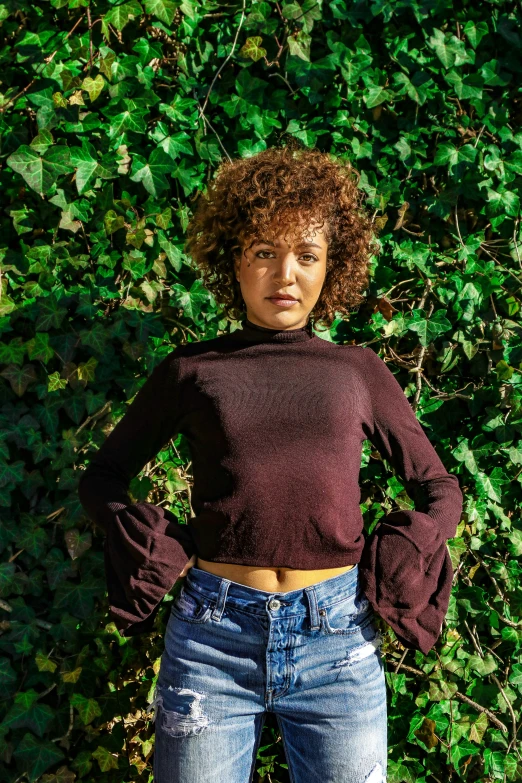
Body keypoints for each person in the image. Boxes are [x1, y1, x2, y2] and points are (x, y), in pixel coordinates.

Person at [78, 146, 463, 783]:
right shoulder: (192, 371)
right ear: (235, 261)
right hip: (210, 640)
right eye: (264, 252)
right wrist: (150, 538)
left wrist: (407, 548)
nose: (285, 274)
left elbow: (439, 490)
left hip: (338, 641)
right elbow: (103, 478)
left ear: (329, 268)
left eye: (306, 256)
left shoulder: (358, 372)